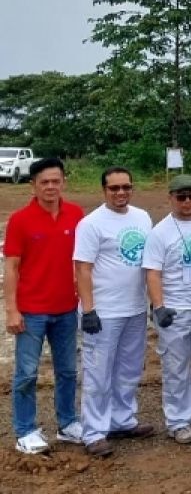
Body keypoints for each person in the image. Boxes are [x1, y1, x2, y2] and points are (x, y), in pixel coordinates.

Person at [4, 157, 85, 454]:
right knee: (26, 373)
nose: (51, 186)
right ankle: (25, 430)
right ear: (33, 185)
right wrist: (12, 309)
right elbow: (11, 267)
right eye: (44, 182)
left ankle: (68, 424)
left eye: (56, 181)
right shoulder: (20, 220)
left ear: (63, 181)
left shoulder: (76, 215)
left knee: (67, 371)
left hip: (66, 308)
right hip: (31, 311)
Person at [73, 166, 155, 457]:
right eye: (114, 188)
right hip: (104, 311)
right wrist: (89, 309)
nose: (121, 193)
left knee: (129, 369)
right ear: (104, 190)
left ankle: (122, 420)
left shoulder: (143, 217)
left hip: (134, 308)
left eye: (126, 187)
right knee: (98, 373)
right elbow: (83, 267)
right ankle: (94, 431)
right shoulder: (92, 223)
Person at [143, 174, 191, 444]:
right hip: (175, 309)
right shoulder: (159, 232)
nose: (187, 202)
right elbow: (153, 272)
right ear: (171, 198)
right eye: (181, 197)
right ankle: (178, 421)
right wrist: (159, 306)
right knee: (176, 367)